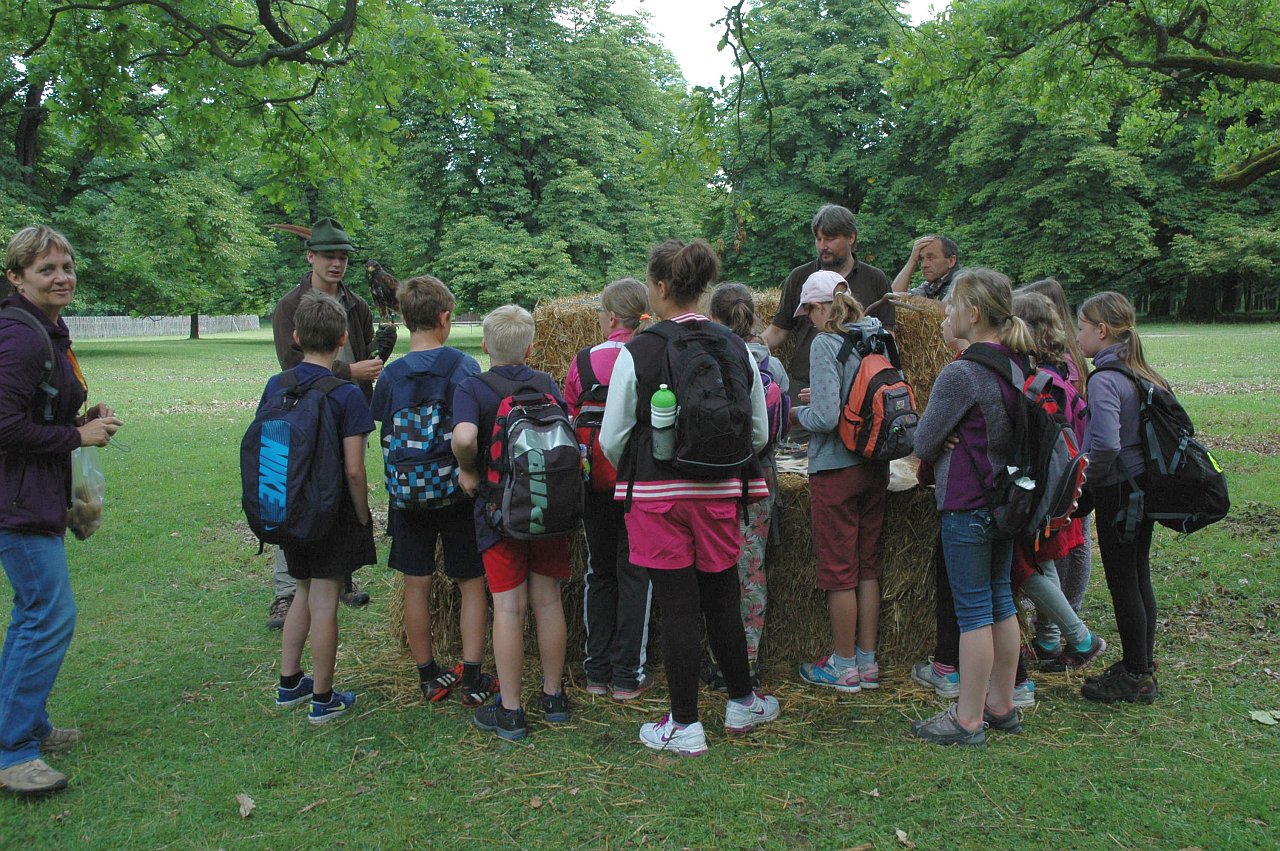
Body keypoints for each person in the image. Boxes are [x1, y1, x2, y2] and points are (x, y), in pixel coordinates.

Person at [601, 238, 780, 757]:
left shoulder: (640, 350)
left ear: (659, 287)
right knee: (722, 595)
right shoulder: (735, 346)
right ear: (702, 287)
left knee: (678, 606)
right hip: (720, 491)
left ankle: (685, 724)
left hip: (657, 495)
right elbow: (759, 432)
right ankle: (742, 701)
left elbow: (612, 438)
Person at [0, 226, 121, 795]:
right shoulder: (21, 337)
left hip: (33, 494)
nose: (61, 278)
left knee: (35, 612)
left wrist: (80, 420)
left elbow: (34, 412)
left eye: (66, 267)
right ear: (16, 277)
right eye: (45, 269)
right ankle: (13, 752)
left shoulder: (46, 328)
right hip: (15, 503)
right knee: (48, 613)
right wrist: (77, 438)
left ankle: (28, 725)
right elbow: (3, 426)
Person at [911, 268, 1034, 746]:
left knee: (973, 612)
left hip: (967, 502)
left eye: (953, 304)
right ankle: (1000, 704)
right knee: (1001, 599)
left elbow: (923, 441)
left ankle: (967, 719)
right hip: (1005, 500)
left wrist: (944, 436)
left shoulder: (961, 372)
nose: (947, 311)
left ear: (974, 313)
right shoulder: (1016, 363)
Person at [368, 275, 497, 706]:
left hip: (407, 495)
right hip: (457, 488)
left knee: (416, 583)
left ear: (405, 320)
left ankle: (428, 676)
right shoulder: (463, 367)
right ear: (445, 318)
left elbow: (384, 425)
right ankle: (473, 675)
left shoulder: (391, 375)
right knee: (471, 581)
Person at [452, 306, 572, 741]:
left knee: (508, 608)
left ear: (485, 346)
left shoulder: (473, 387)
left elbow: (464, 437)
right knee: (548, 602)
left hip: (499, 514)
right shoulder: (545, 383)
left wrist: (468, 469)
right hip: (549, 509)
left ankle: (511, 709)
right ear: (530, 348)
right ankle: (554, 697)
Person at [267, 218, 393, 626]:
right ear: (310, 257)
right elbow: (291, 365)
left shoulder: (357, 305)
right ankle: (287, 592)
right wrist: (349, 372)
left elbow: (363, 352)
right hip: (304, 416)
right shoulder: (290, 306)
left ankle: (341, 577)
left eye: (342, 257)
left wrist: (380, 352)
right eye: (328, 256)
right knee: (296, 493)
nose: (336, 264)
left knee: (342, 492)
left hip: (349, 411)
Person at [268, 291, 377, 724]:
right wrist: (363, 516)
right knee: (326, 599)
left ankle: (289, 682)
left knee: (302, 591)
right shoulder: (347, 394)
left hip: (289, 506)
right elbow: (354, 469)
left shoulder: (277, 385)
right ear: (343, 339)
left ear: (296, 336)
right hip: (331, 513)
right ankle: (323, 697)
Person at [787, 271, 887, 693]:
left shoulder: (824, 342)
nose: (808, 318)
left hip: (835, 468)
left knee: (839, 571)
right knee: (868, 567)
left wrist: (794, 414)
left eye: (809, 309)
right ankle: (867, 661)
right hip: (874, 464)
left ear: (821, 306)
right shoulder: (876, 334)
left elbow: (827, 418)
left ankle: (842, 667)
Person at [563, 279, 654, 701]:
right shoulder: (650, 355)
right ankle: (628, 675)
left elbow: (569, 416)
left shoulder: (583, 361)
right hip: (638, 481)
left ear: (612, 317)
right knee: (635, 572)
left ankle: (596, 673)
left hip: (593, 482)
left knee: (599, 572)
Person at [1009, 290, 1106, 674]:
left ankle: (1081, 637)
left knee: (1026, 565)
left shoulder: (1040, 381)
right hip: (1060, 486)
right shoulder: (1060, 369)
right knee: (1043, 559)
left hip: (1043, 488)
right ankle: (1048, 639)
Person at [1077, 291, 1162, 704]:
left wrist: (1086, 483)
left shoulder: (1105, 379)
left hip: (1119, 491)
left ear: (1102, 330)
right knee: (1138, 575)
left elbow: (1107, 444)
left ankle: (1135, 674)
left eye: (1081, 327)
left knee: (1123, 581)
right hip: (1144, 487)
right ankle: (1140, 663)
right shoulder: (1139, 370)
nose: (1077, 336)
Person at [705, 281, 790, 688]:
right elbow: (779, 427)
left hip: (717, 475)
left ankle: (718, 660)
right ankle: (748, 662)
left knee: (715, 567)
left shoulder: (710, 360)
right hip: (760, 475)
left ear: (713, 317)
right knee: (751, 568)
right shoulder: (773, 365)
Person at [761, 205, 894, 405]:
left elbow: (887, 337)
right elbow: (779, 331)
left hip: (857, 388)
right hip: (805, 383)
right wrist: (746, 348)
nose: (822, 246)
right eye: (818, 239)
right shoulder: (799, 277)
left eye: (830, 239)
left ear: (851, 237)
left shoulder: (875, 279)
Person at [1020, 278, 1091, 615]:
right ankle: (1058, 618)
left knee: (1068, 545)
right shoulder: (1061, 363)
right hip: (1069, 464)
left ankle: (1066, 615)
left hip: (1064, 467)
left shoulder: (1057, 374)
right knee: (1063, 544)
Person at [890, 235, 960, 300]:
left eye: (930, 258)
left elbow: (950, 306)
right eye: (921, 259)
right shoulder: (931, 284)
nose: (924, 265)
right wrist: (912, 261)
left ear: (951, 261)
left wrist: (912, 299)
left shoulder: (962, 281)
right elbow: (893, 297)